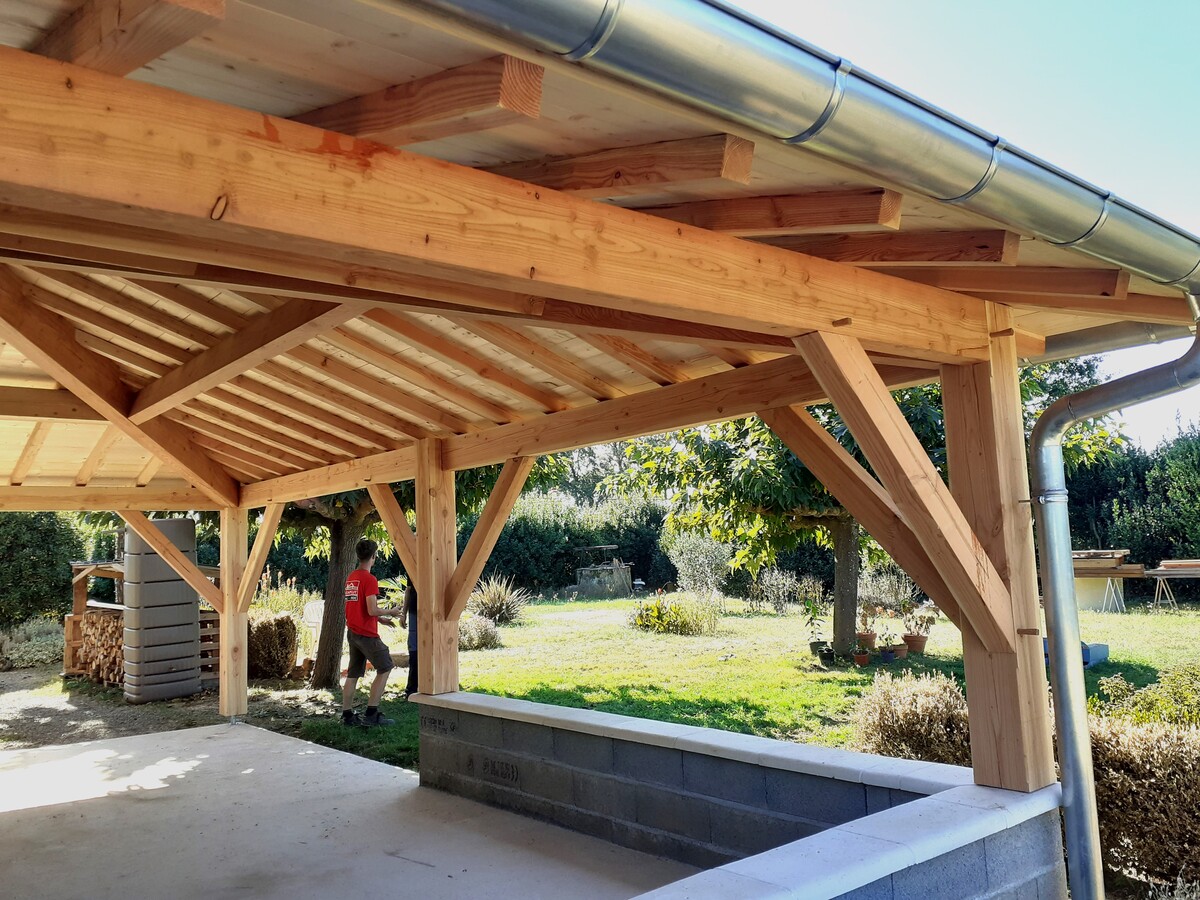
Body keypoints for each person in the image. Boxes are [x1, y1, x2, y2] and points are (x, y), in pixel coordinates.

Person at [341, 539, 404, 727]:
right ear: (374, 556)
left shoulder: (352, 577)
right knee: (385, 666)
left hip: (353, 633)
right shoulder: (369, 579)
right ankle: (372, 714)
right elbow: (371, 609)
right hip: (367, 635)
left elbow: (358, 608)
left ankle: (347, 716)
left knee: (353, 674)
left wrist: (381, 620)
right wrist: (390, 612)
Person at [400, 580, 418, 698]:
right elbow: (408, 589)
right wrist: (404, 613)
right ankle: (411, 689)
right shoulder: (412, 565)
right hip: (414, 612)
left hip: (432, 612)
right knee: (414, 650)